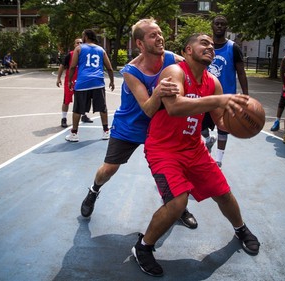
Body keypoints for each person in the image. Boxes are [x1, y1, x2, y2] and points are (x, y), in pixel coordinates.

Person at [132, 33, 260, 277]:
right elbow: (175, 106)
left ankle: (241, 229)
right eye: (204, 43)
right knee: (177, 202)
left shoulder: (214, 82)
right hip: (164, 149)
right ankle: (144, 247)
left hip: (194, 149)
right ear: (188, 49)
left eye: (212, 45)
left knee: (223, 193)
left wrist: (242, 121)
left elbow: (220, 120)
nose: (210, 47)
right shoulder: (174, 72)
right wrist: (218, 99)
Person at [80, 19, 198, 229]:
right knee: (109, 169)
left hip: (160, 127)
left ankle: (179, 207)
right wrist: (160, 91)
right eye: (153, 35)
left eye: (160, 33)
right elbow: (148, 108)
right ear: (140, 44)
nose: (160, 37)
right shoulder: (131, 71)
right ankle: (94, 190)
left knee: (174, 169)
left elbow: (195, 68)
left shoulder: (171, 58)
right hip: (130, 125)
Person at [201, 15, 248, 167]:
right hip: (205, 95)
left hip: (226, 96)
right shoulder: (205, 46)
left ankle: (219, 160)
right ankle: (208, 139)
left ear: (226, 27)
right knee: (200, 126)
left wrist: (246, 95)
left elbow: (241, 72)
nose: (220, 26)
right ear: (212, 26)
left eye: (222, 24)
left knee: (224, 128)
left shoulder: (233, 47)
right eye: (217, 24)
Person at [65, 29, 114, 142]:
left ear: (86, 36)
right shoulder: (101, 50)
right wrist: (111, 81)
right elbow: (110, 68)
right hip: (98, 82)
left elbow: (72, 66)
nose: (82, 38)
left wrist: (70, 80)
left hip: (83, 83)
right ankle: (106, 131)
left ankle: (74, 134)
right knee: (102, 108)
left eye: (83, 36)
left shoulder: (79, 48)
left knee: (77, 109)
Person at [56, 38, 93, 128]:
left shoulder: (85, 54)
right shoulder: (70, 55)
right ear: (74, 44)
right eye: (77, 43)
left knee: (82, 99)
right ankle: (64, 118)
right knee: (66, 100)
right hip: (70, 81)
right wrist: (58, 78)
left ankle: (83, 116)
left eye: (81, 42)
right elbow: (62, 66)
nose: (79, 44)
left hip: (81, 81)